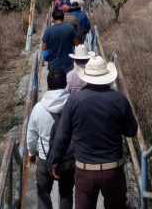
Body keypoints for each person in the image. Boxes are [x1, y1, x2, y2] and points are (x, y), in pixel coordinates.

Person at [49, 55, 138, 209]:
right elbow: (131, 131)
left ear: (87, 76)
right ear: (107, 77)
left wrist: (55, 160)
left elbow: (62, 136)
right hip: (113, 170)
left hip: (85, 171)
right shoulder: (119, 99)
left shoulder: (74, 100)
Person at [27, 69, 74, 209]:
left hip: (44, 158)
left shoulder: (38, 108)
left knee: (43, 195)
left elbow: (31, 135)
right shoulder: (72, 105)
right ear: (65, 84)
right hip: (68, 159)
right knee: (66, 194)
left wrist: (31, 153)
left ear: (48, 85)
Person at [43, 8, 79, 74]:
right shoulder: (70, 28)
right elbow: (77, 44)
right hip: (68, 64)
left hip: (54, 65)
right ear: (63, 18)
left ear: (53, 19)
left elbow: (44, 49)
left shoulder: (48, 31)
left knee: (55, 83)